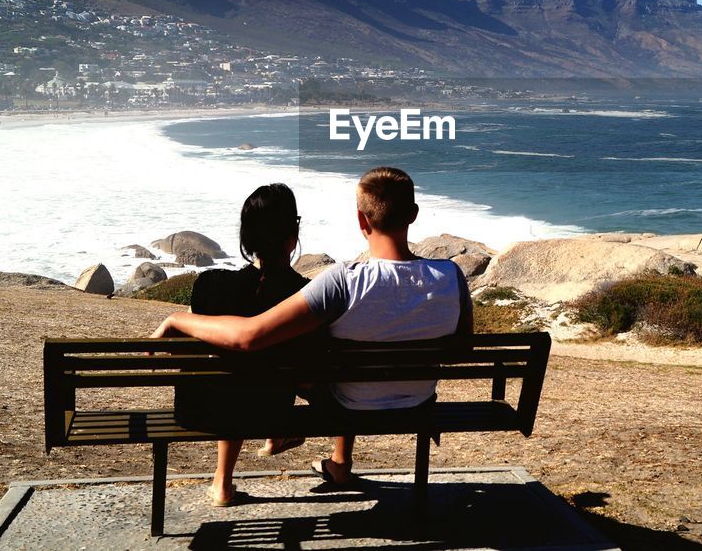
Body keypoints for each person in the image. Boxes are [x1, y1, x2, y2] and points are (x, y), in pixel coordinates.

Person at [152, 166, 472, 489]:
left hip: (341, 409)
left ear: (362, 221)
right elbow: (461, 350)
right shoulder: (453, 277)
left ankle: (248, 466)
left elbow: (249, 336)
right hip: (417, 408)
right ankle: (338, 461)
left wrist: (176, 319)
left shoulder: (342, 281)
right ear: (414, 214)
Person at [177, 183, 310, 507]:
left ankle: (221, 483)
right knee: (258, 379)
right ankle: (278, 438)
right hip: (273, 411)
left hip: (203, 410)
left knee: (231, 376)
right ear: (291, 240)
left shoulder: (210, 286)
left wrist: (173, 318)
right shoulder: (305, 296)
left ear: (246, 240)